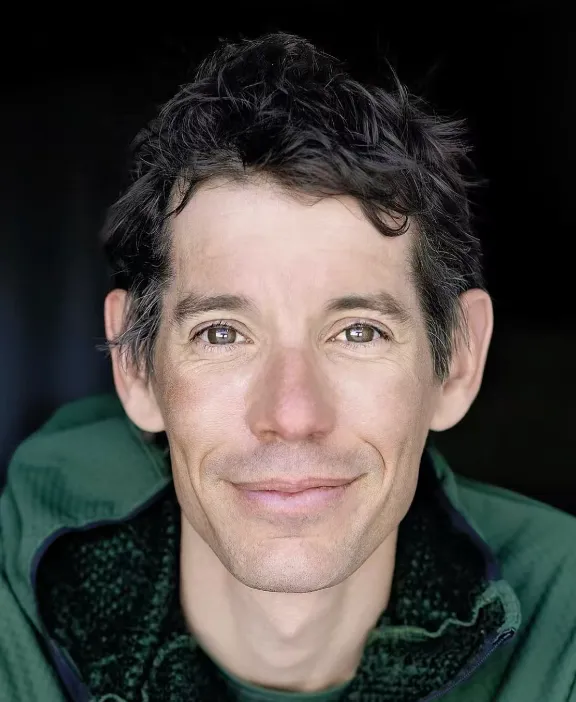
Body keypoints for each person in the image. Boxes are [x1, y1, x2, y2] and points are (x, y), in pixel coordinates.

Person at [1, 31, 575, 702]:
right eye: (222, 334)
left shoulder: (564, 620)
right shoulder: (18, 613)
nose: (293, 414)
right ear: (135, 364)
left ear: (458, 361)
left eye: (358, 332)